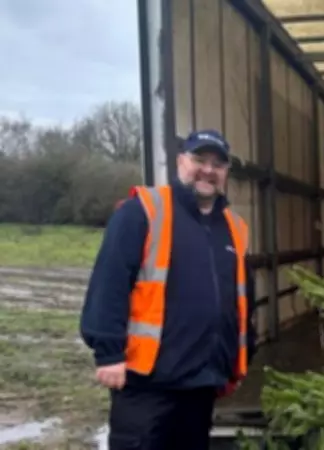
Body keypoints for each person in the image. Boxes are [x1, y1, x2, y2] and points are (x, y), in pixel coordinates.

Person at [79, 129, 257, 449]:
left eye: (218, 164)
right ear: (180, 162)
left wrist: (235, 361)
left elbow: (244, 301)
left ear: (226, 172)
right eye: (199, 159)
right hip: (147, 385)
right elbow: (109, 282)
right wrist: (108, 353)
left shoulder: (235, 227)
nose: (208, 170)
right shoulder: (143, 211)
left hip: (201, 383)